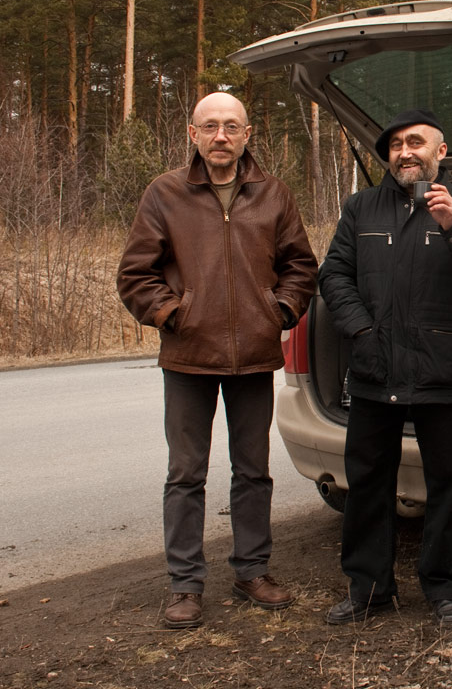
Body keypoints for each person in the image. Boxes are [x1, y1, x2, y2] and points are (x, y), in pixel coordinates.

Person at [117, 92, 317, 630]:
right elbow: (135, 273)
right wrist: (172, 314)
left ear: (247, 134)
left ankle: (252, 570)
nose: (221, 136)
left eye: (231, 126)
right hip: (188, 357)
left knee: (254, 471)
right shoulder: (165, 193)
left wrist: (279, 311)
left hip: (254, 357)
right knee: (185, 474)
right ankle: (185, 584)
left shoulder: (274, 194)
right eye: (210, 126)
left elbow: (301, 266)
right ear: (193, 134)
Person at [318, 108, 452, 627]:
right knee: (366, 483)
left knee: (445, 485)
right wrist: (360, 332)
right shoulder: (361, 207)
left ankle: (445, 588)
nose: (405, 152)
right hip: (374, 368)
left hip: (441, 370)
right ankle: (369, 589)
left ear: (439, 151)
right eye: (396, 145)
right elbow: (334, 275)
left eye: (416, 142)